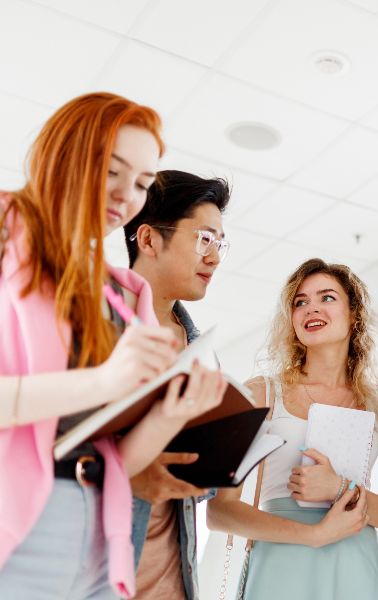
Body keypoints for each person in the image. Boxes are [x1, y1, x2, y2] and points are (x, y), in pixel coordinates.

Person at [0, 92, 226, 599]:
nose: (127, 195)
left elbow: (117, 457)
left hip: (103, 540)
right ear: (65, 151)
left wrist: (173, 410)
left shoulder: (122, 295)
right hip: (17, 528)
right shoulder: (4, 229)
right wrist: (102, 381)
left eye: (144, 183)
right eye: (113, 172)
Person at [207, 258, 378, 599]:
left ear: (355, 314)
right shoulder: (260, 393)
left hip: (356, 566)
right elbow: (219, 511)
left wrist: (340, 488)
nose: (311, 308)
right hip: (280, 565)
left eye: (327, 297)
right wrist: (313, 535)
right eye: (300, 302)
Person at [124, 170, 231, 599]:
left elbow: (195, 489)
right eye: (205, 239)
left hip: (173, 579)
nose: (215, 257)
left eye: (220, 244)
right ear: (149, 240)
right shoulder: (93, 330)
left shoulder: (203, 354)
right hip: (94, 575)